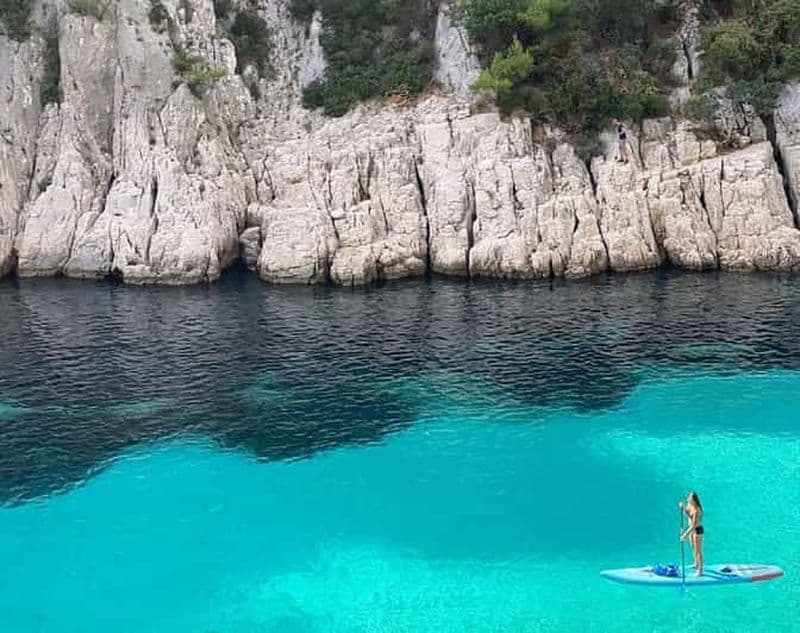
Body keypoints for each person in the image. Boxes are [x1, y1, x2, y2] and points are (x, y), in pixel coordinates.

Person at [679, 492, 704, 576]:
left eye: (690, 498)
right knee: (693, 548)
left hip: (697, 530)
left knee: (698, 551)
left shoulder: (697, 510)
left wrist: (685, 535)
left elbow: (693, 525)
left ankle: (700, 570)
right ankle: (696, 564)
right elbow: (687, 513)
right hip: (691, 531)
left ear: (694, 500)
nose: (688, 499)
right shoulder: (690, 506)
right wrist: (682, 507)